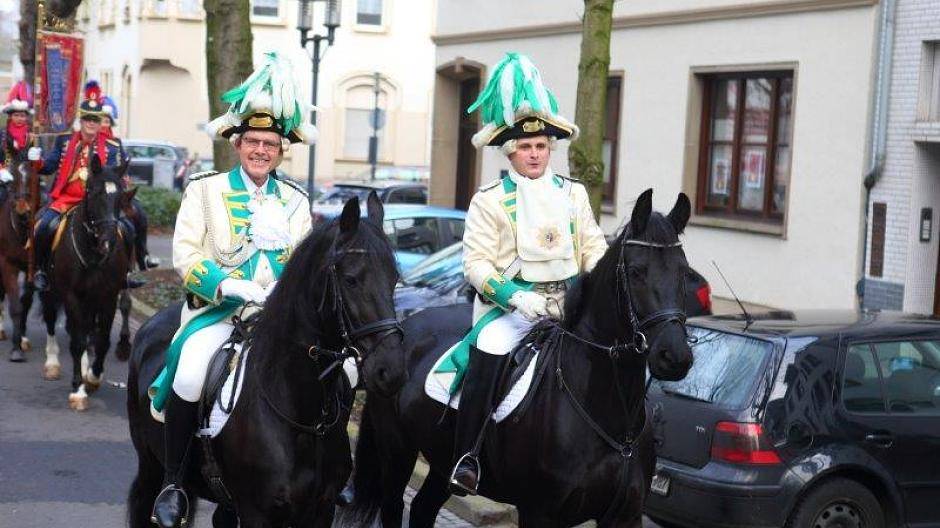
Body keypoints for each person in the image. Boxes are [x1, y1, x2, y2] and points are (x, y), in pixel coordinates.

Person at [148, 51, 315, 528]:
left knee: (335, 372)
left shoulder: (297, 202)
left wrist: (285, 301)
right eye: (253, 142)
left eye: (270, 144)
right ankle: (175, 483)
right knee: (190, 372)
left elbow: (301, 266)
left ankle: (327, 469)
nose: (261, 150)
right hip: (216, 315)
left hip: (277, 323)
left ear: (282, 150)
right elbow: (186, 255)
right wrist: (230, 286)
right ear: (237, 144)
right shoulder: (205, 190)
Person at [449, 52, 609, 496]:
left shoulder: (574, 194)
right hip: (512, 310)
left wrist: (593, 287)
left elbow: (593, 247)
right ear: (511, 151)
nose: (534, 154)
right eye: (525, 147)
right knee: (490, 345)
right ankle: (469, 456)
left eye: (541, 147)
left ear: (550, 150)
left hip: (570, 306)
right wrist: (519, 298)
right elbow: (476, 264)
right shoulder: (489, 199)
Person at [28, 81, 125, 291]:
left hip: (99, 203)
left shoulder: (111, 147)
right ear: (81, 120)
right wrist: (36, 160)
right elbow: (48, 167)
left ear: (101, 123)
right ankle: (42, 270)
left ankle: (124, 274)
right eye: (87, 119)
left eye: (95, 120)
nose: (91, 123)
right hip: (66, 201)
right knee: (42, 228)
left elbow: (115, 178)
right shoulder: (64, 142)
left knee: (126, 229)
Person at [99, 92, 160, 272]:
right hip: (100, 190)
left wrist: (125, 174)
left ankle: (143, 255)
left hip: (117, 189)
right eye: (101, 120)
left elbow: (124, 162)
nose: (104, 124)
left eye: (107, 121)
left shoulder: (116, 143)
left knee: (139, 214)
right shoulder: (90, 143)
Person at [0, 81, 34, 197]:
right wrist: (1, 170)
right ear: (10, 116)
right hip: (5, 172)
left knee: (43, 196)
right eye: (16, 115)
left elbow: (39, 158)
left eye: (22, 115)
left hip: (27, 173)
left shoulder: (32, 135)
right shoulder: (2, 133)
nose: (20, 118)